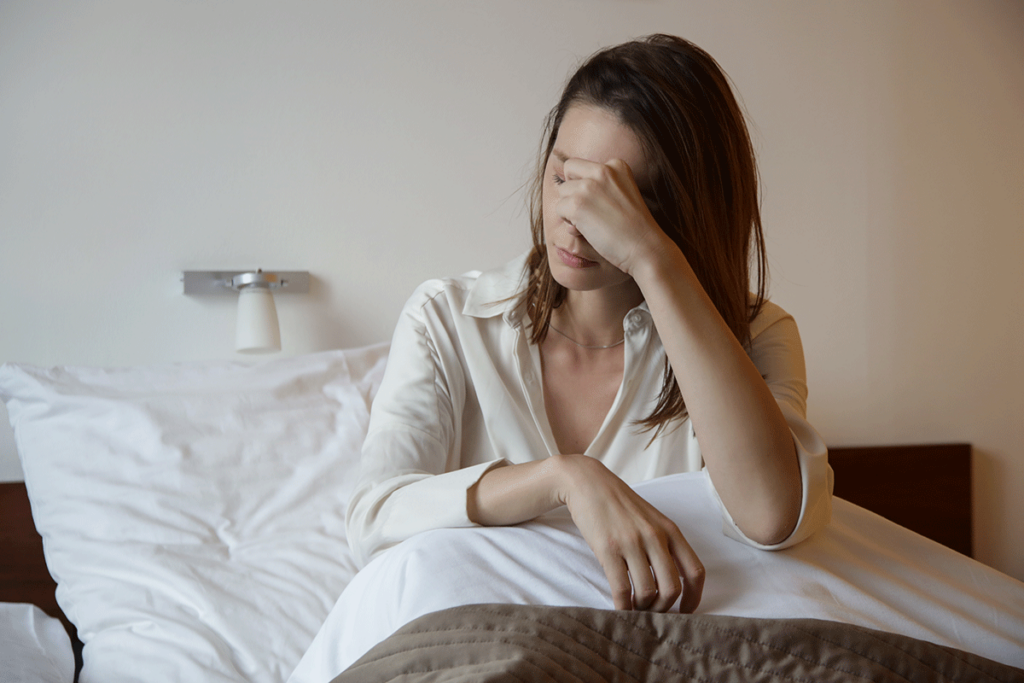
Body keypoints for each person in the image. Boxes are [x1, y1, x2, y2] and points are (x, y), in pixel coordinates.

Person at [345, 34, 832, 614]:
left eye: (626, 202)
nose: (574, 223)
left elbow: (771, 514)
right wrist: (565, 480)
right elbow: (374, 518)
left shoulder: (757, 335)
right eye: (564, 178)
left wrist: (652, 259)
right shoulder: (446, 319)